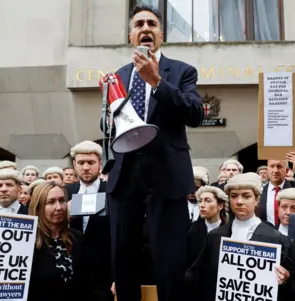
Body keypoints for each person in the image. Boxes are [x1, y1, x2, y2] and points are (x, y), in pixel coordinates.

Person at [101, 4, 204, 301]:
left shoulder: (182, 71)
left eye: (152, 24)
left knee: (170, 263)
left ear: (160, 34)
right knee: (124, 261)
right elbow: (109, 126)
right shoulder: (117, 76)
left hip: (166, 178)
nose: (145, 28)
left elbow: (195, 113)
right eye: (139, 24)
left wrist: (156, 81)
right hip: (124, 178)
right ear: (131, 35)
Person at [186, 173, 295, 301]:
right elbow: (199, 276)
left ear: (257, 200)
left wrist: (286, 279)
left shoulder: (277, 239)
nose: (239, 201)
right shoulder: (215, 236)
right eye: (234, 196)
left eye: (246, 196)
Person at [65, 141, 114, 301]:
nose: (86, 167)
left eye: (91, 162)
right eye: (81, 163)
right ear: (74, 165)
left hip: (103, 272)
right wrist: (63, 215)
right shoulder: (65, 192)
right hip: (71, 271)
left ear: (100, 164)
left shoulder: (112, 191)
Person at [28, 182, 84, 301]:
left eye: (62, 200)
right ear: (38, 207)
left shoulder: (77, 237)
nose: (59, 207)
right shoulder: (27, 241)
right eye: (51, 202)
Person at [187, 185, 229, 267]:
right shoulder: (190, 230)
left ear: (220, 206)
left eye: (208, 201)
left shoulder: (229, 232)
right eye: (200, 201)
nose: (202, 205)